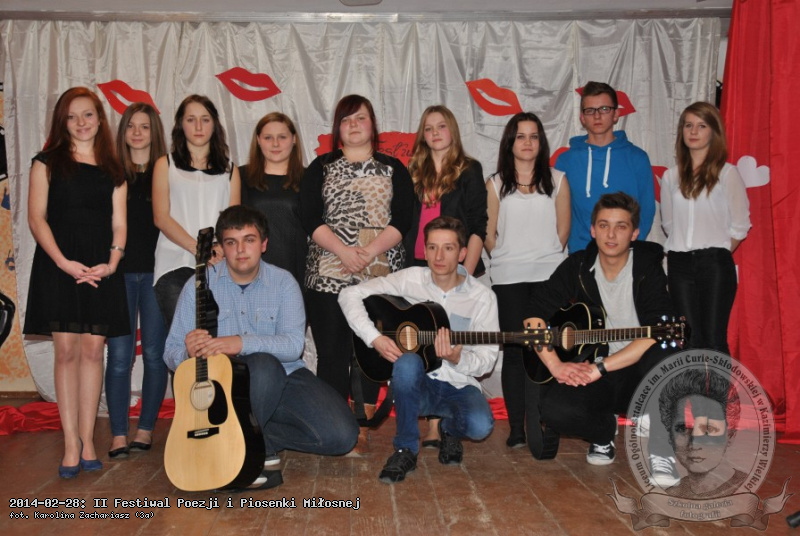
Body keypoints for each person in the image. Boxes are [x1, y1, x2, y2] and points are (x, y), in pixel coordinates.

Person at [164, 205, 359, 488]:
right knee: (264, 366)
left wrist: (239, 342)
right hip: (225, 389)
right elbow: (170, 351)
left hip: (286, 376)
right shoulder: (199, 285)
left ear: (264, 244)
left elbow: (293, 345)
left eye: (249, 240)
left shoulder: (283, 283)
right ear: (222, 247)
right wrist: (187, 352)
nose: (241, 250)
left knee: (343, 436)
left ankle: (250, 440)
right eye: (231, 242)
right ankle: (250, 453)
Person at [339, 216, 499, 484]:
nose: (439, 256)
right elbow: (348, 294)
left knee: (480, 426)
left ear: (462, 253)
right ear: (424, 251)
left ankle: (449, 429)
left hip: (458, 384)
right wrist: (375, 338)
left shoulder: (482, 298)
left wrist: (458, 358)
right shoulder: (411, 279)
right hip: (416, 386)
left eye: (448, 248)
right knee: (407, 362)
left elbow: (487, 359)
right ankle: (405, 450)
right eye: (432, 247)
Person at [298, 94, 414, 451]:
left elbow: (404, 218)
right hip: (328, 272)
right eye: (346, 119)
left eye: (360, 118)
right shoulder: (320, 166)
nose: (353, 125)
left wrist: (369, 252)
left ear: (372, 124)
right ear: (338, 127)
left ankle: (362, 425)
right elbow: (308, 215)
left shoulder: (394, 167)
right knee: (332, 353)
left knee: (370, 351)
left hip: (380, 273)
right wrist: (344, 252)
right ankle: (333, 427)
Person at [24, 87, 129, 478]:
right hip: (59, 265)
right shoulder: (46, 163)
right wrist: (63, 263)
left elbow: (119, 224)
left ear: (100, 119)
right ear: (62, 122)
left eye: (88, 114)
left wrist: (112, 263)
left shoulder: (114, 170)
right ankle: (70, 443)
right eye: (72, 116)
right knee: (66, 351)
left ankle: (88, 440)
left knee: (93, 352)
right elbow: (36, 218)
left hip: (100, 269)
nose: (81, 122)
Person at [523, 192, 672, 465]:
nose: (611, 234)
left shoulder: (648, 268)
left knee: (666, 355)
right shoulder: (578, 265)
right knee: (554, 409)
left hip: (637, 370)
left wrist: (599, 368)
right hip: (596, 370)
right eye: (604, 225)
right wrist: (556, 365)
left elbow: (657, 330)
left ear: (634, 233)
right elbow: (533, 314)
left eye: (621, 226)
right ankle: (604, 433)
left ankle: (662, 450)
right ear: (593, 230)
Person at [485, 112, 570, 448]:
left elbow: (563, 231)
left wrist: (545, 259)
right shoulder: (495, 184)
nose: (527, 142)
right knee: (515, 353)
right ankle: (517, 429)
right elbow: (489, 234)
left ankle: (544, 421)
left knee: (547, 350)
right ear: (510, 142)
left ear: (541, 142)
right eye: (520, 136)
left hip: (549, 277)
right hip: (509, 279)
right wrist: (506, 256)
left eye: (534, 136)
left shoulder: (558, 180)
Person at [405, 105, 487, 448]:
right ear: (422, 135)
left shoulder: (469, 169)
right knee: (425, 343)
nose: (435, 133)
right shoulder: (412, 171)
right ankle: (433, 425)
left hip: (455, 268)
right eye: (428, 128)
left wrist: (466, 272)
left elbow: (478, 224)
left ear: (452, 129)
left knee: (451, 341)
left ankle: (451, 415)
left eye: (441, 126)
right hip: (419, 266)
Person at [660, 102, 750, 354]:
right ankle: (693, 383)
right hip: (679, 264)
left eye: (701, 126)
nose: (693, 131)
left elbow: (740, 225)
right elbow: (669, 223)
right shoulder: (671, 176)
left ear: (714, 132)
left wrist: (716, 254)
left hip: (714, 264)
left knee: (714, 339)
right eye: (688, 125)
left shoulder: (727, 173)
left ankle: (718, 384)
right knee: (688, 341)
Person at [106, 103, 169, 458]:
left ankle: (145, 430)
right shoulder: (110, 173)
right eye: (131, 126)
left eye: (144, 126)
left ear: (154, 131)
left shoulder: (168, 171)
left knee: (156, 355)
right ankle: (118, 433)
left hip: (158, 274)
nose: (137, 132)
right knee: (119, 357)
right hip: (120, 275)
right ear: (123, 131)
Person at [152, 94, 241, 328]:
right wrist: (199, 250)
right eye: (191, 119)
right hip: (175, 264)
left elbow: (233, 221)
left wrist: (219, 249)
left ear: (215, 124)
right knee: (185, 342)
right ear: (180, 125)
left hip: (219, 266)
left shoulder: (230, 170)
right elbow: (161, 217)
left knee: (218, 341)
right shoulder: (165, 165)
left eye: (205, 119)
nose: (199, 126)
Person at [555, 81, 655, 253]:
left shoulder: (637, 158)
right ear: (582, 117)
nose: (597, 116)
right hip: (581, 255)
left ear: (616, 114)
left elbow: (646, 211)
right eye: (590, 110)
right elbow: (559, 215)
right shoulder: (565, 161)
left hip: (624, 256)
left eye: (604, 109)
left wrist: (629, 249)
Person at [240, 112, 307, 287]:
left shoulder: (309, 178)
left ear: (294, 139)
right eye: (268, 137)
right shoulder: (240, 176)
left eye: (282, 137)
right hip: (250, 271)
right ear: (258, 140)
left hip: (296, 271)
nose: (275, 144)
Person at [659, 367, 746, 499]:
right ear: (670, 436)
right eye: (682, 429)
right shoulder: (671, 496)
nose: (694, 443)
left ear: (730, 435)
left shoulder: (749, 492)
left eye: (708, 429)